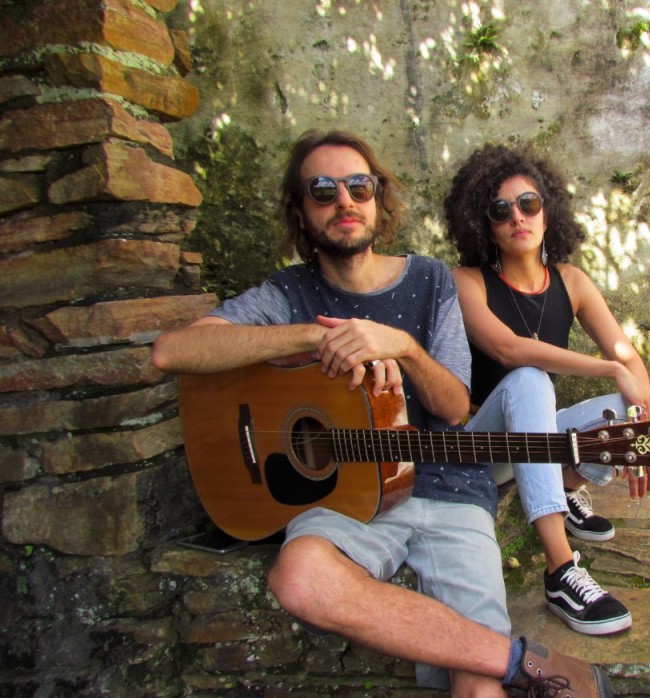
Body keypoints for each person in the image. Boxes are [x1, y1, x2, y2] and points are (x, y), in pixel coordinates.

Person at [151, 130, 614, 698]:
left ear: (377, 197)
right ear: (300, 211)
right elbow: (172, 351)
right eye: (323, 191)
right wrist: (316, 337)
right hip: (343, 500)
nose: (344, 200)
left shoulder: (430, 280)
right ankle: (517, 660)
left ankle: (496, 662)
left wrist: (403, 347)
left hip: (448, 487)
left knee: (478, 688)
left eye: (359, 186)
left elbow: (452, 406)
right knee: (299, 576)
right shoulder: (288, 293)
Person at [443, 143, 650, 636]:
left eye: (528, 204)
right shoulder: (466, 282)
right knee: (528, 379)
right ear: (483, 224)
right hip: (483, 445)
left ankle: (565, 488)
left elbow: (628, 357)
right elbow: (509, 349)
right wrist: (609, 369)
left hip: (537, 436)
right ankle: (561, 571)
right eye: (500, 210)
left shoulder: (571, 281)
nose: (517, 217)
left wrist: (644, 425)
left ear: (548, 213)